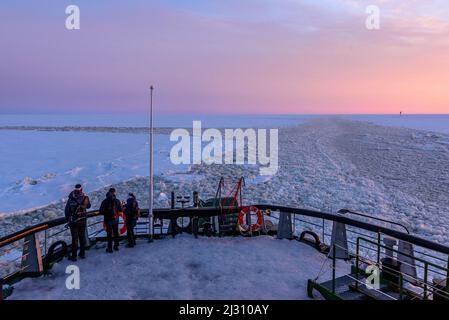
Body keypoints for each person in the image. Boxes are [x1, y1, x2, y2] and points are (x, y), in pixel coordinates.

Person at [64, 184, 91, 261]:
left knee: (74, 239)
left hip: (74, 222)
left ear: (74, 190)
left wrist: (68, 220)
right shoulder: (85, 197)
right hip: (82, 220)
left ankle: (74, 256)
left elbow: (67, 211)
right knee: (82, 237)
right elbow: (89, 206)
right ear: (81, 189)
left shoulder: (71, 199)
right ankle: (82, 254)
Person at [99, 188, 123, 253]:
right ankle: (116, 246)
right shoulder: (117, 201)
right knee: (115, 233)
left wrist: (106, 213)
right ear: (114, 193)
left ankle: (109, 248)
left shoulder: (104, 201)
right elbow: (121, 210)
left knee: (109, 234)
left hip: (108, 220)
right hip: (115, 219)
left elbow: (100, 211)